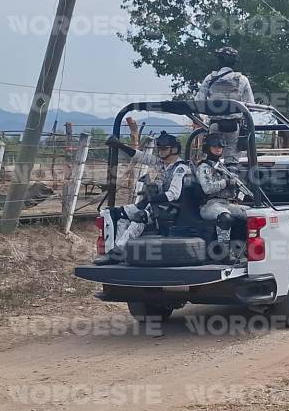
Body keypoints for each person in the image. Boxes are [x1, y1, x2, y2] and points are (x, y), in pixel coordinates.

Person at [94, 131, 192, 265]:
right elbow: (141, 157)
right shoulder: (161, 163)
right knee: (118, 214)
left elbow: (173, 194)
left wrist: (151, 199)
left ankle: (117, 253)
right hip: (154, 205)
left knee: (140, 217)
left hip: (172, 209)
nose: (160, 151)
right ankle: (116, 252)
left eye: (163, 148)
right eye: (159, 148)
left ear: (174, 150)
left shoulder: (180, 168)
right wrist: (120, 145)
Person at [195, 47, 255, 168]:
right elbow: (251, 105)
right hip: (234, 126)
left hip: (215, 125)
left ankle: (210, 179)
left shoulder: (209, 79)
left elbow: (198, 102)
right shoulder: (242, 80)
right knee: (231, 160)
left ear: (219, 61)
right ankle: (231, 182)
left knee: (212, 158)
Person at [195, 131, 247, 258]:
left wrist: (237, 188)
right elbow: (208, 188)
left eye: (220, 147)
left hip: (226, 202)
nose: (218, 149)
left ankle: (241, 249)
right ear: (208, 148)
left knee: (248, 215)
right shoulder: (204, 167)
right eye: (215, 146)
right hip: (210, 204)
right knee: (225, 217)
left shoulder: (222, 166)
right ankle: (223, 252)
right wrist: (226, 182)